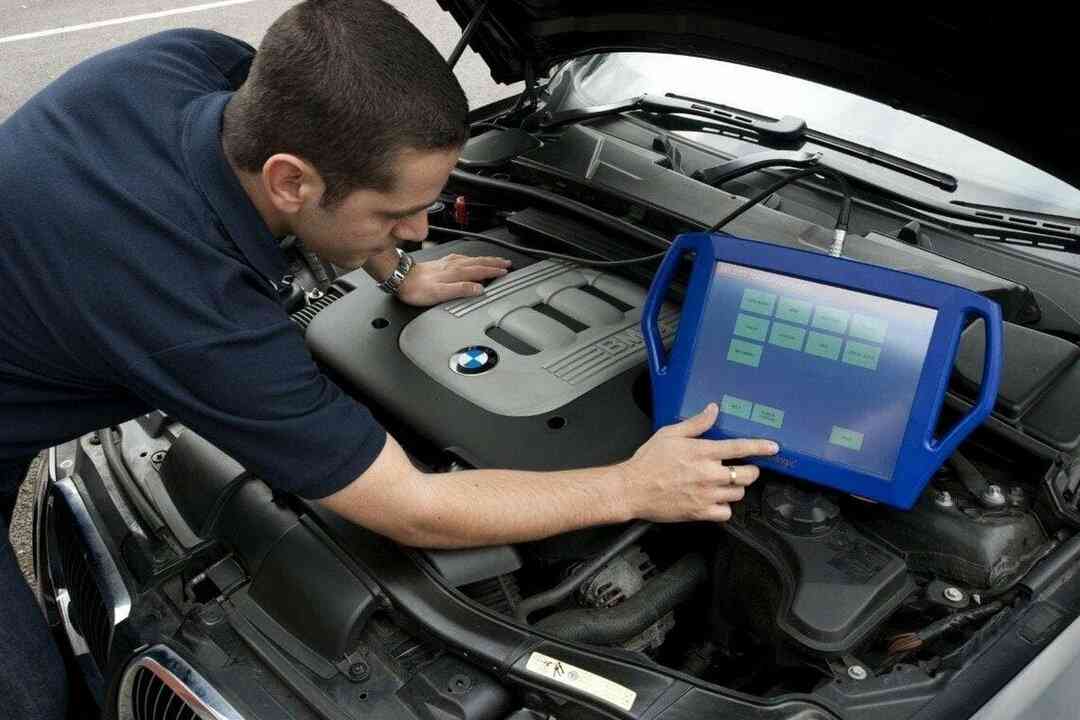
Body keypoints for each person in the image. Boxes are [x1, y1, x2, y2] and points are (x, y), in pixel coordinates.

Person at [0, 1, 778, 717]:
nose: (421, 231)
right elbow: (412, 507)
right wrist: (631, 485)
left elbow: (325, 167)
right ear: (289, 181)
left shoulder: (185, 62)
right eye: (397, 214)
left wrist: (398, 269)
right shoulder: (190, 306)